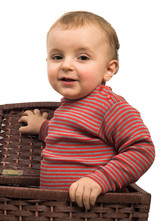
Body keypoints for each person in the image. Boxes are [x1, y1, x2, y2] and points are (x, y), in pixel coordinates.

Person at [18, 11, 155, 210]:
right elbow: (67, 136)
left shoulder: (110, 107)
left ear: (109, 69)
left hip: (94, 216)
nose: (66, 65)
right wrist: (42, 127)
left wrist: (99, 180)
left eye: (82, 57)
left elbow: (142, 150)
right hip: (53, 214)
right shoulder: (67, 108)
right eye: (57, 56)